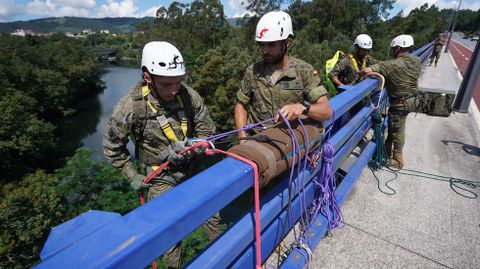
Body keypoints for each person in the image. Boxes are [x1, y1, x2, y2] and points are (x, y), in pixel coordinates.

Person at [103, 41, 221, 268]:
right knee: (169, 237)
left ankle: (229, 258)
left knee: (212, 216)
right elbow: (111, 146)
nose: (174, 89)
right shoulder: (131, 107)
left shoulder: (188, 96)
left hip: (192, 166)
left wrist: (191, 148)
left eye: (179, 82)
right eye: (167, 84)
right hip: (160, 176)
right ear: (148, 77)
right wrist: (131, 175)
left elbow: (208, 132)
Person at [234, 11, 333, 140]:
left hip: (289, 142)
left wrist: (303, 108)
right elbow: (241, 105)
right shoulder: (253, 71)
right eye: (261, 45)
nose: (265, 51)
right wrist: (242, 137)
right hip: (257, 140)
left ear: (287, 43)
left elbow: (326, 111)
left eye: (271, 45)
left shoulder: (304, 71)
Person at [361, 34, 421, 169]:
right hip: (414, 99)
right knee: (395, 127)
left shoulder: (391, 65)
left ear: (398, 48)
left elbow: (366, 70)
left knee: (397, 130)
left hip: (400, 103)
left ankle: (398, 160)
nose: (393, 50)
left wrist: (364, 71)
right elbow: (392, 66)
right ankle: (387, 151)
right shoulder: (416, 60)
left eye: (394, 48)